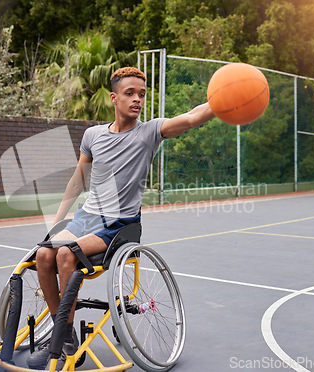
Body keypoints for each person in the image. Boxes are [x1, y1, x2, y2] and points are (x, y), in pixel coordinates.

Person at [27, 66, 215, 369]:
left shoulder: (150, 132)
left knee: (64, 255)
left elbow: (192, 117)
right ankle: (65, 336)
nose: (137, 99)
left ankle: (61, 339)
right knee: (43, 254)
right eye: (130, 93)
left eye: (142, 94)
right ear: (114, 98)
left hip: (120, 226)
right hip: (87, 219)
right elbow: (77, 182)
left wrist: (223, 101)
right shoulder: (93, 136)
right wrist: (56, 224)